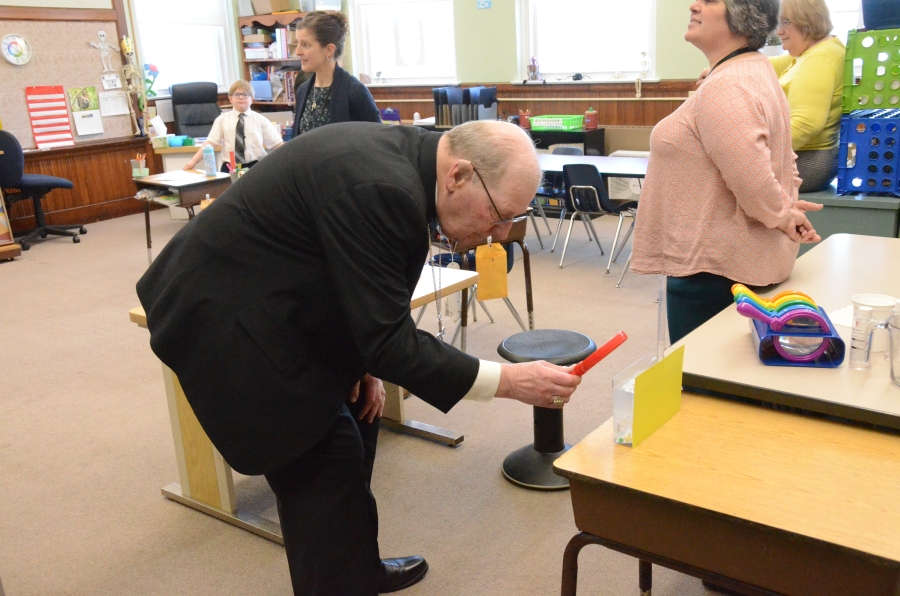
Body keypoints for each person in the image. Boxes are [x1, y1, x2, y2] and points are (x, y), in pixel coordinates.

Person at [136, 120, 582, 596]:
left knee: (361, 418)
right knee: (324, 466)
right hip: (226, 316)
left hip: (283, 292)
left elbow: (361, 286)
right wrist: (511, 382)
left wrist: (364, 365)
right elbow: (388, 338)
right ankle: (338, 579)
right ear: (458, 176)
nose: (497, 234)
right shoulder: (382, 188)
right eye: (497, 214)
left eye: (512, 219)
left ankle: (358, 568)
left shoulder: (411, 166)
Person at [632, 0, 822, 345]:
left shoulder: (728, 85)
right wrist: (783, 209)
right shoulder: (749, 72)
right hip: (726, 266)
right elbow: (774, 156)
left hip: (714, 271)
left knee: (701, 383)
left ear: (744, 15)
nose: (693, 5)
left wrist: (780, 213)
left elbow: (751, 176)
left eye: (710, 0)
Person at [770, 0, 845, 192]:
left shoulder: (819, 58)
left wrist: (755, 155)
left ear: (808, 21)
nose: (779, 31)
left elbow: (806, 123)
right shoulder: (814, 52)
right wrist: (718, 70)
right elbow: (765, 65)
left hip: (809, 161)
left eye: (786, 22)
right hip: (809, 157)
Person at [290, 11, 381, 138]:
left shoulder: (355, 91)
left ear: (329, 50)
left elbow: (378, 139)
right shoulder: (303, 90)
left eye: (305, 44)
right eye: (297, 43)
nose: (298, 52)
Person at [183, 80, 283, 172]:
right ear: (230, 99)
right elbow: (210, 143)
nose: (241, 98)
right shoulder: (222, 119)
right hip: (229, 167)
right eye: (237, 94)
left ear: (252, 99)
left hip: (256, 166)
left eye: (245, 95)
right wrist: (193, 161)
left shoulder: (261, 120)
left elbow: (277, 144)